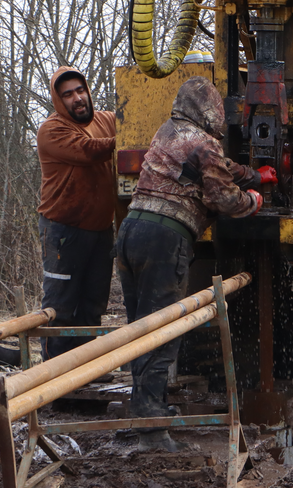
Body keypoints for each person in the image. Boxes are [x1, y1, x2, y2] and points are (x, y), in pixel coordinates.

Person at [115, 75, 277, 452]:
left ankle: (143, 410)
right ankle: (153, 432)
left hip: (130, 231)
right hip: (164, 239)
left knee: (139, 329)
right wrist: (254, 200)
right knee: (163, 331)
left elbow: (211, 167)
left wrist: (253, 173)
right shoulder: (204, 142)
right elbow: (223, 197)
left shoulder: (169, 132)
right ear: (211, 112)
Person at [37, 67, 117, 360]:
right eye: (68, 94)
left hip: (100, 230)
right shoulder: (52, 130)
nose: (77, 98)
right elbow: (89, 150)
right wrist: (127, 139)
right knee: (60, 308)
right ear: (59, 101)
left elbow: (132, 122)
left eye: (80, 90)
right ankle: (53, 384)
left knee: (93, 307)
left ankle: (86, 377)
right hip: (63, 231)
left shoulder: (106, 120)